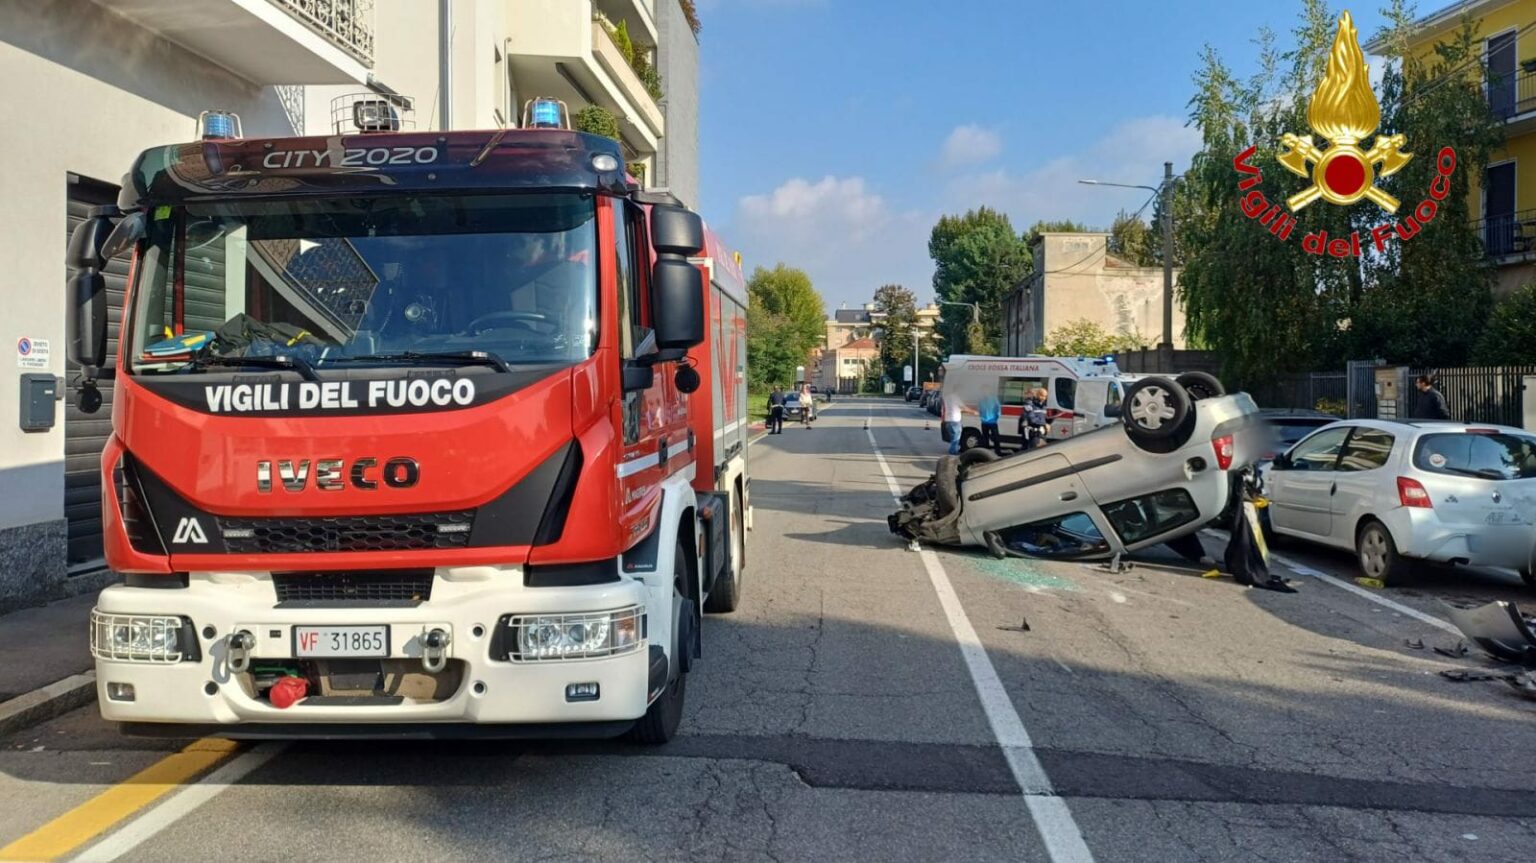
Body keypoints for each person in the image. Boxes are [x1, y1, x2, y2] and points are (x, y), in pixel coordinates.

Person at [1019, 387, 1049, 451]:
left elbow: (1043, 418)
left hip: (1041, 433)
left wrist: (1047, 424)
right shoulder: (1030, 405)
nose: (1044, 398)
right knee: (1032, 452)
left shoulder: (1043, 406)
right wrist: (1044, 423)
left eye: (1046, 396)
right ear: (1038, 395)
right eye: (1042, 396)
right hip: (1032, 433)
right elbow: (1032, 419)